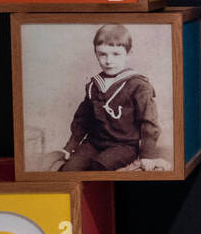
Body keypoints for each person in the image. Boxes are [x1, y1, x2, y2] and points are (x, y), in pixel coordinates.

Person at [57, 24, 169, 172]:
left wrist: (148, 155)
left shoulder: (139, 86)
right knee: (69, 169)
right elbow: (82, 120)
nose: (109, 61)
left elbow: (149, 122)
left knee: (98, 168)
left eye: (116, 54)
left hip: (125, 145)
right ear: (96, 54)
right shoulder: (94, 86)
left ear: (129, 54)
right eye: (103, 54)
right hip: (95, 143)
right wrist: (70, 146)